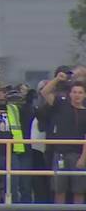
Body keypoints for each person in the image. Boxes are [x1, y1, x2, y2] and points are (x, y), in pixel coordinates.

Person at [41, 72, 86, 204]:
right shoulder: (61, 105)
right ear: (70, 94)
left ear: (84, 95)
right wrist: (57, 79)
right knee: (59, 190)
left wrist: (83, 159)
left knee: (79, 191)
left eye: (80, 92)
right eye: (74, 92)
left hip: (78, 156)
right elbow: (45, 92)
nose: (77, 95)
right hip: (59, 154)